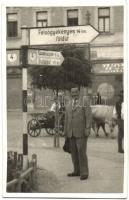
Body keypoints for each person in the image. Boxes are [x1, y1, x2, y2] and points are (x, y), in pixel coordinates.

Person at [64, 87, 92, 180]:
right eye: (72, 92)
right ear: (70, 93)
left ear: (79, 92)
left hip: (81, 132)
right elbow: (67, 118)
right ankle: (76, 171)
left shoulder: (84, 101)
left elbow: (88, 115)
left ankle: (84, 172)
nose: (74, 94)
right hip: (70, 132)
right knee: (73, 153)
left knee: (81, 152)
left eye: (76, 92)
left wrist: (87, 128)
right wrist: (65, 131)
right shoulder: (68, 104)